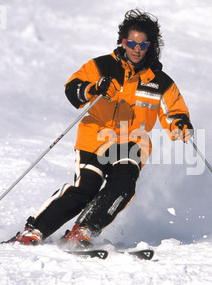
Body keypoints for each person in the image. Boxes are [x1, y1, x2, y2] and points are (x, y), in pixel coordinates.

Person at [13, 9, 193, 247]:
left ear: (150, 45)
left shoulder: (160, 82)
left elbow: (173, 112)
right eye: (131, 43)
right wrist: (94, 88)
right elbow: (72, 89)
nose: (136, 49)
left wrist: (180, 125)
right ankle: (35, 230)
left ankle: (83, 229)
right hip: (94, 137)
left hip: (132, 140)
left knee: (124, 184)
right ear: (123, 41)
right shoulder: (102, 66)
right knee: (86, 188)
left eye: (142, 44)